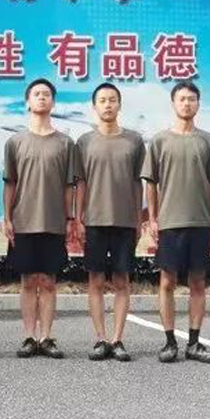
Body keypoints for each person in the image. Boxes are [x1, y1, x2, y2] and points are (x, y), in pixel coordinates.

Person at [141, 80, 210, 364]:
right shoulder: (160, 140)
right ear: (173, 103)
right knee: (167, 281)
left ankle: (194, 344)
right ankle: (170, 342)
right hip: (170, 222)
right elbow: (151, 183)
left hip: (200, 221)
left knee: (198, 281)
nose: (187, 103)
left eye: (192, 99)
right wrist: (153, 218)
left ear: (198, 104)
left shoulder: (209, 141)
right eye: (182, 99)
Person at [3, 78, 76, 359]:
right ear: (28, 102)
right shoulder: (15, 142)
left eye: (47, 94)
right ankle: (29, 337)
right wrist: (7, 217)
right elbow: (10, 183)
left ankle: (46, 337)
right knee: (27, 281)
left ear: (53, 102)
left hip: (53, 221)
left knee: (47, 280)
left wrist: (70, 218)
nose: (42, 98)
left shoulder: (65, 143)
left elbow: (70, 185)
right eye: (36, 94)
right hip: (23, 220)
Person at [75, 83, 145, 362]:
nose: (107, 104)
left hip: (125, 221)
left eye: (112, 100)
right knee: (95, 280)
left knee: (121, 280)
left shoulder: (134, 141)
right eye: (102, 100)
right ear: (94, 106)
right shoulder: (84, 142)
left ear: (119, 105)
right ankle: (100, 339)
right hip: (94, 220)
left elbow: (138, 183)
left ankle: (117, 340)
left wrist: (139, 219)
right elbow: (80, 182)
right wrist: (78, 218)